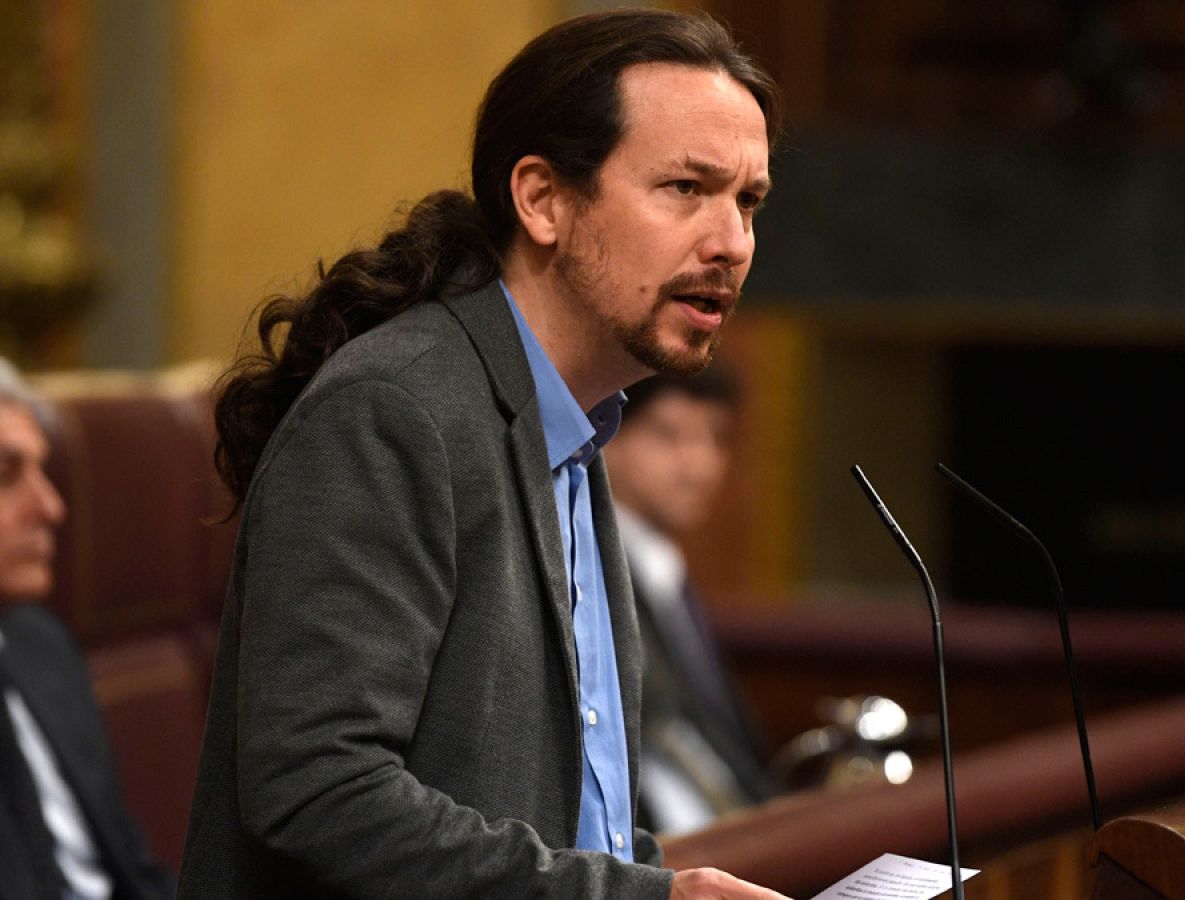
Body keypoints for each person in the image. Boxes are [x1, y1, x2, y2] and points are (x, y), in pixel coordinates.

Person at [178, 9, 788, 899]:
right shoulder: (394, 412)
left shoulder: (577, 428)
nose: (731, 242)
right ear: (542, 199)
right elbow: (318, 790)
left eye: (748, 201)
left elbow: (558, 810)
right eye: (686, 189)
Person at [0, 358, 174, 899]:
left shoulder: (40, 644)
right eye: (6, 477)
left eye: (42, 472)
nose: (51, 507)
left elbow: (135, 872)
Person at [603, 371, 776, 835]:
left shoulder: (665, 568)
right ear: (607, 435)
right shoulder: (592, 567)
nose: (697, 463)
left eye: (715, 438)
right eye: (669, 435)